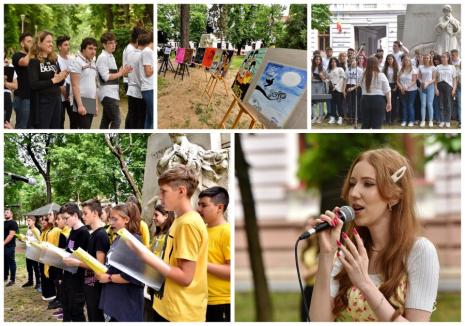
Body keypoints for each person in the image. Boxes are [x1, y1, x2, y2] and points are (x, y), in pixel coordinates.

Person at [309, 148, 439, 321]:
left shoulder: (419, 251)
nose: (354, 193)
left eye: (368, 184)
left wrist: (364, 284)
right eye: (353, 183)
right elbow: (318, 321)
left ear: (394, 196)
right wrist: (326, 254)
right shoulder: (348, 254)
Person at [128, 165, 209, 322]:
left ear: (181, 191)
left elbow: (185, 277)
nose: (160, 196)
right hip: (168, 306)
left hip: (180, 312)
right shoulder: (181, 219)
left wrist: (145, 256)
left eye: (164, 191)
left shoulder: (188, 224)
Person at [96, 204, 144, 321]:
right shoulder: (120, 238)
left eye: (115, 219)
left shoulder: (133, 241)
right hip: (115, 303)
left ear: (126, 219)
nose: (111, 223)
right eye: (110, 218)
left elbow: (134, 276)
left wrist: (108, 278)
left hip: (126, 307)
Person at [63, 199, 110, 321]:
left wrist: (77, 262)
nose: (82, 216)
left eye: (85, 213)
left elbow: (99, 266)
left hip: (95, 286)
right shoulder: (94, 233)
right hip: (89, 284)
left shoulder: (101, 235)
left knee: (96, 317)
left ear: (95, 213)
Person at [197, 186, 231, 322]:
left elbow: (232, 271)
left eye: (204, 205)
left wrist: (200, 264)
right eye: (198, 205)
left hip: (221, 302)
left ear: (219, 208)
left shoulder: (227, 232)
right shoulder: (201, 230)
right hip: (201, 301)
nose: (199, 209)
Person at [28, 31, 68, 128]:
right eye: (48, 42)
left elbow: (59, 82)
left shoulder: (53, 60)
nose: (51, 44)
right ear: (39, 43)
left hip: (56, 101)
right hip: (43, 103)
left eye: (52, 42)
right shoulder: (34, 61)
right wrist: (53, 81)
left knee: (56, 128)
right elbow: (33, 85)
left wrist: (62, 77)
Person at [144, 204, 175, 321]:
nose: (153, 218)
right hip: (153, 282)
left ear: (166, 216)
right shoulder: (157, 235)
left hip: (164, 286)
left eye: (156, 215)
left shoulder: (171, 235)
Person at [60, 203, 90, 321]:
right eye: (63, 218)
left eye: (66, 218)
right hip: (68, 275)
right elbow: (70, 250)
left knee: (76, 311)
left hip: (78, 280)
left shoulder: (84, 233)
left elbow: (87, 260)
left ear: (76, 215)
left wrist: (74, 262)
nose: (65, 221)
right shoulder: (72, 230)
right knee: (66, 307)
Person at [96, 31, 132, 129]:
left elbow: (113, 76)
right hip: (107, 94)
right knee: (117, 120)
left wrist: (122, 71)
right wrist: (120, 73)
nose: (113, 45)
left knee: (105, 121)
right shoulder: (103, 57)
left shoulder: (111, 56)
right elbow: (106, 77)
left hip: (112, 94)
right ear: (104, 45)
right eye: (110, 43)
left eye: (114, 42)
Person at [70, 37, 99, 129]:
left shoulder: (93, 62)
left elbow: (94, 85)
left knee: (87, 128)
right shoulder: (77, 62)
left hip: (90, 101)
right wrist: (80, 105)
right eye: (90, 48)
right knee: (81, 129)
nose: (93, 51)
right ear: (83, 49)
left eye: (95, 49)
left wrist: (96, 105)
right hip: (80, 100)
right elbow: (74, 85)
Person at [360, 56, 391, 129]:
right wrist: (389, 102)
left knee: (365, 124)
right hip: (378, 100)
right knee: (377, 125)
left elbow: (361, 86)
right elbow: (387, 90)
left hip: (365, 99)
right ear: (377, 64)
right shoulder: (381, 75)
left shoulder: (363, 75)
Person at [12, 32, 33, 128]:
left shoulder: (33, 57)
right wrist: (31, 51)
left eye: (32, 42)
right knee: (22, 126)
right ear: (22, 43)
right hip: (22, 97)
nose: (31, 44)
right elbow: (24, 62)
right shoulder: (17, 55)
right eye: (29, 42)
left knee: (31, 126)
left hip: (32, 96)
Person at [299, 218, 319, 322]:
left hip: (321, 289)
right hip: (308, 289)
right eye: (306, 225)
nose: (308, 228)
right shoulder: (305, 249)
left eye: (311, 225)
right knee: (304, 319)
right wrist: (320, 265)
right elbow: (304, 275)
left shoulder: (324, 248)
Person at [125, 33, 146, 129]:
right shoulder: (141, 55)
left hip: (132, 88)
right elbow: (142, 75)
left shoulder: (130, 53)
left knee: (133, 115)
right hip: (138, 90)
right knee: (139, 117)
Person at [40, 212, 61, 301]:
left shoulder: (57, 230)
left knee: (57, 279)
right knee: (54, 278)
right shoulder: (50, 230)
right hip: (47, 256)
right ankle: (56, 297)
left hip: (54, 258)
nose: (48, 217)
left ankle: (57, 298)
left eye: (50, 215)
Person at [435, 52, 457, 127]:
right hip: (440, 85)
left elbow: (454, 79)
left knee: (448, 104)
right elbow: (436, 79)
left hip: (449, 86)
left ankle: (447, 121)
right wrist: (436, 89)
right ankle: (442, 121)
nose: (443, 58)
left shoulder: (452, 67)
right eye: (442, 57)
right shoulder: (438, 67)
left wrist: (454, 89)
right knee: (440, 104)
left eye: (444, 57)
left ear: (448, 58)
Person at [56, 35, 73, 128]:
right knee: (60, 120)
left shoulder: (72, 60)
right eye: (65, 45)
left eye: (68, 45)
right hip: (60, 95)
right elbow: (57, 79)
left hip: (71, 93)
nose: (68, 47)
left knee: (74, 119)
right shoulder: (56, 60)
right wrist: (66, 95)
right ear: (59, 47)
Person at [397, 54, 418, 127]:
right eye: (405, 60)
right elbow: (398, 81)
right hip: (402, 90)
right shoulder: (400, 70)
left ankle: (411, 121)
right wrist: (401, 88)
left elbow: (414, 81)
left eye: (408, 60)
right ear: (403, 61)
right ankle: (404, 120)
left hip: (412, 90)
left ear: (410, 61)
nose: (407, 61)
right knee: (404, 105)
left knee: (410, 105)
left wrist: (407, 87)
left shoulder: (413, 70)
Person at [138, 32, 154, 129]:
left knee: (149, 119)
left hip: (148, 89)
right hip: (149, 88)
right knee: (152, 120)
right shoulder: (147, 51)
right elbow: (148, 72)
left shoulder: (146, 51)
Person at [122, 26, 144, 93]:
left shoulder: (132, 48)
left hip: (132, 83)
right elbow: (130, 70)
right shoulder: (130, 50)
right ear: (138, 39)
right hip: (130, 83)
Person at [418, 53, 437, 127]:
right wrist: (422, 82)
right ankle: (423, 120)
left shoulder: (433, 68)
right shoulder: (420, 67)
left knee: (429, 104)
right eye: (425, 58)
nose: (426, 59)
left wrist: (427, 83)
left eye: (427, 58)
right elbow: (419, 77)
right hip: (422, 86)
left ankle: (430, 121)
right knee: (423, 104)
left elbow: (434, 78)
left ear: (430, 59)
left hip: (430, 87)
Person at [22, 216, 41, 289]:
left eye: (29, 220)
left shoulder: (36, 230)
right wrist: (23, 239)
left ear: (34, 221)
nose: (28, 222)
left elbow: (37, 241)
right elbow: (27, 240)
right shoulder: (28, 230)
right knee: (29, 267)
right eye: (27, 221)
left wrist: (27, 239)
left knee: (36, 268)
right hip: (28, 252)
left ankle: (38, 282)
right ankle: (30, 281)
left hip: (34, 252)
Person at [327, 57, 345, 125]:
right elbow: (328, 79)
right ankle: (333, 117)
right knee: (332, 103)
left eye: (334, 61)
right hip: (331, 88)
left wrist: (336, 86)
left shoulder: (340, 69)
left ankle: (340, 118)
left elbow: (342, 79)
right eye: (332, 62)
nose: (333, 63)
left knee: (339, 104)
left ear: (337, 62)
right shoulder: (329, 71)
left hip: (338, 88)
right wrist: (328, 82)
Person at [345, 57, 363, 124]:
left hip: (356, 88)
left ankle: (357, 118)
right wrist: (344, 90)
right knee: (349, 104)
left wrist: (353, 88)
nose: (353, 62)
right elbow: (345, 80)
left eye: (354, 61)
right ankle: (350, 119)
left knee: (356, 104)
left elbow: (360, 82)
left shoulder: (360, 70)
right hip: (348, 87)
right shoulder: (347, 70)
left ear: (356, 61)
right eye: (351, 61)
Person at [383, 54, 400, 125]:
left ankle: (393, 119)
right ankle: (387, 119)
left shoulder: (396, 68)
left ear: (393, 60)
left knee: (394, 103)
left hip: (394, 85)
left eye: (391, 59)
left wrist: (396, 87)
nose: (390, 60)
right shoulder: (384, 68)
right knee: (387, 103)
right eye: (388, 59)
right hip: (387, 85)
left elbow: (398, 78)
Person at [4, 209, 18, 287]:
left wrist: (3, 243)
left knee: (11, 262)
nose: (5, 214)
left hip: (10, 246)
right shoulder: (4, 223)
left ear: (11, 214)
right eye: (4, 213)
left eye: (7, 212)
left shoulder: (13, 223)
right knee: (4, 262)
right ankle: (5, 276)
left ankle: (12, 279)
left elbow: (11, 235)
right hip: (4, 246)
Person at [311, 54, 326, 124]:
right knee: (313, 101)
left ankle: (320, 116)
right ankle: (314, 116)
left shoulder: (323, 68)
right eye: (316, 59)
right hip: (313, 84)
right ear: (314, 60)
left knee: (320, 101)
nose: (317, 61)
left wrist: (321, 75)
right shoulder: (311, 68)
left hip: (320, 85)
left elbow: (325, 79)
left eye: (319, 59)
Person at [4, 53, 18, 125]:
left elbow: (15, 86)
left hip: (6, 94)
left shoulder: (9, 66)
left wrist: (5, 83)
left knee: (6, 122)